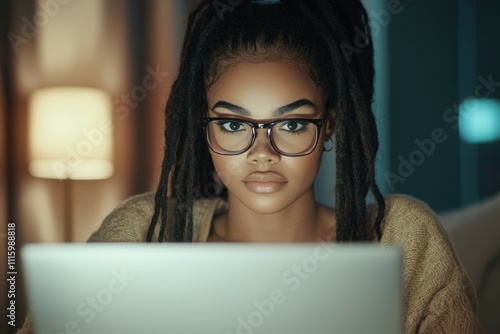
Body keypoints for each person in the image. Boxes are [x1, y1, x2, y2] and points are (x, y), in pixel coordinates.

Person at [18, 0, 483, 333]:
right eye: (234, 125)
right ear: (203, 128)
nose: (263, 152)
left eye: (293, 125)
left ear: (330, 126)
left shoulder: (400, 237)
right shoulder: (144, 230)